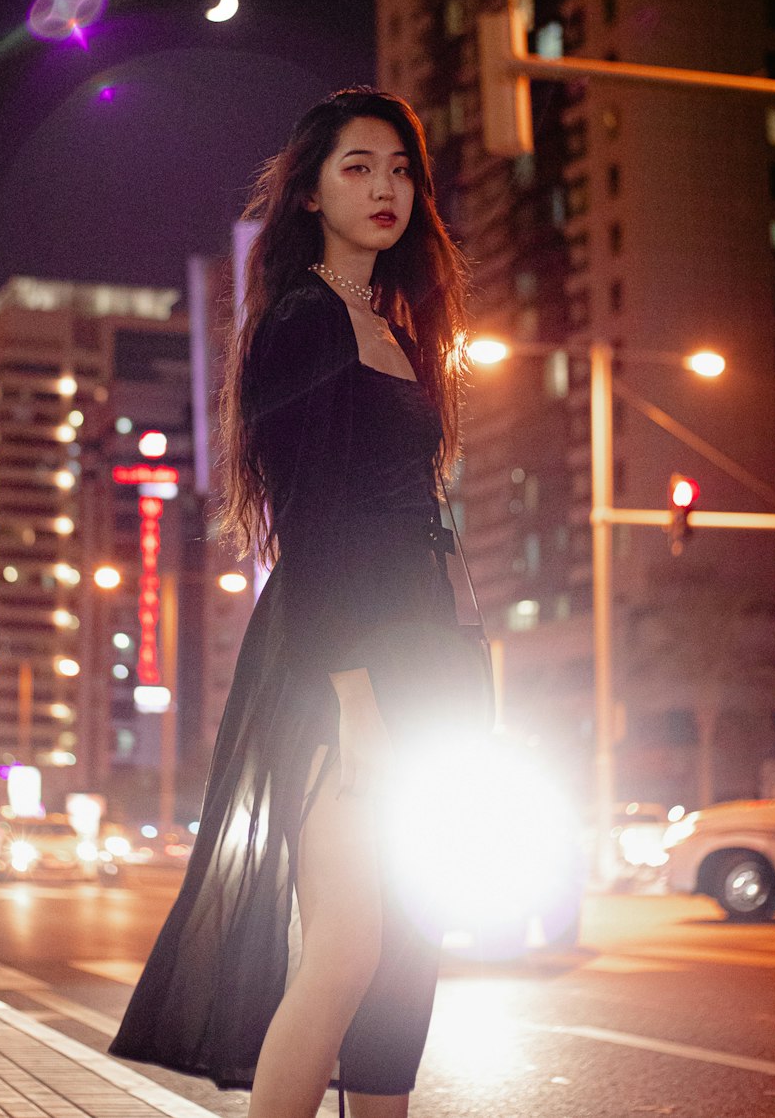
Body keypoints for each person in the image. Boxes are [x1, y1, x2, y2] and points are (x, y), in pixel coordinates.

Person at [109, 87, 491, 1117]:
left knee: (407, 948)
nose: (384, 188)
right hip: (336, 666)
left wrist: (469, 655)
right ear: (313, 191)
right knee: (348, 946)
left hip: (424, 659)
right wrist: (356, 702)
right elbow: (314, 528)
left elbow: (424, 520)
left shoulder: (392, 326)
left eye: (400, 170)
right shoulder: (302, 320)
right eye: (357, 167)